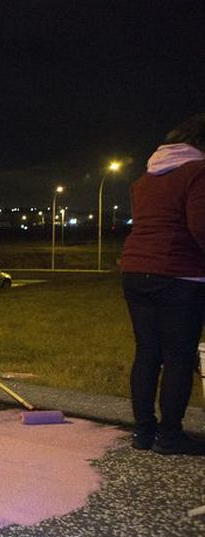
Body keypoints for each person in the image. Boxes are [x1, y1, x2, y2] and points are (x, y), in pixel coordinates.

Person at [120, 113, 205, 456]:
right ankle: (170, 435)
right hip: (179, 275)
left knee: (147, 353)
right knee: (179, 357)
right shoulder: (197, 173)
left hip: (135, 271)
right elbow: (201, 227)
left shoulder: (144, 181)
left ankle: (143, 432)